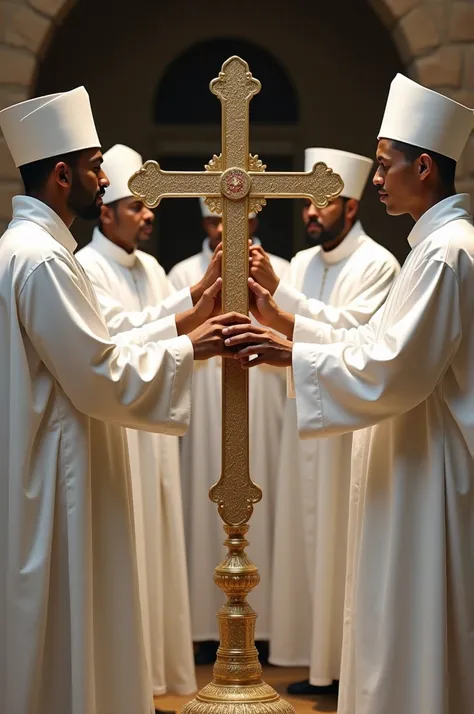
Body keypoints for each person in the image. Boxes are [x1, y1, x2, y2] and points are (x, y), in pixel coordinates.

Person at [223, 74, 474, 714]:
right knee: (392, 613)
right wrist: (293, 340)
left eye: (385, 165)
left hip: (425, 463)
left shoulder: (447, 254)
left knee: (412, 614)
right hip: (405, 453)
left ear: (425, 165)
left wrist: (291, 353)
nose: (378, 179)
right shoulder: (430, 250)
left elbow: (395, 365)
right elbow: (374, 342)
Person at [0, 88, 248, 714]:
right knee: (68, 622)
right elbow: (99, 371)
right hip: (59, 471)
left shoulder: (27, 249)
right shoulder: (43, 260)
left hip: (46, 459)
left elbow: (102, 341)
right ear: (63, 176)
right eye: (93, 166)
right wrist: (194, 348)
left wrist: (182, 321)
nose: (105, 178)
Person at [248, 148, 399, 694]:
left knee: (341, 541)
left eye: (324, 203)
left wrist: (281, 295)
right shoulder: (308, 262)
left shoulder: (379, 264)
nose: (312, 214)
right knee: (306, 543)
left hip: (347, 424)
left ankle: (343, 668)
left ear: (352, 207)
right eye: (308, 205)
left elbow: (357, 335)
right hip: (303, 419)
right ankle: (316, 663)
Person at [77, 144, 223, 699]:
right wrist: (193, 299)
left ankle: (155, 679)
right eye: (136, 205)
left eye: (149, 206)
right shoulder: (87, 268)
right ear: (106, 210)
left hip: (152, 438)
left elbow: (170, 326)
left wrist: (203, 294)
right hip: (118, 431)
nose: (149, 214)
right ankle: (123, 686)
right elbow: (119, 337)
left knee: (157, 547)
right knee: (126, 554)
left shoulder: (151, 267)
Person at [168, 199, 289, 664]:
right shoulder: (182, 273)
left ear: (254, 219)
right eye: (216, 217)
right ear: (204, 221)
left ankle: (262, 628)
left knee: (263, 500)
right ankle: (204, 627)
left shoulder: (275, 271)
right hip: (202, 403)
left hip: (262, 401)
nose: (226, 225)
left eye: (236, 216)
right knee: (201, 504)